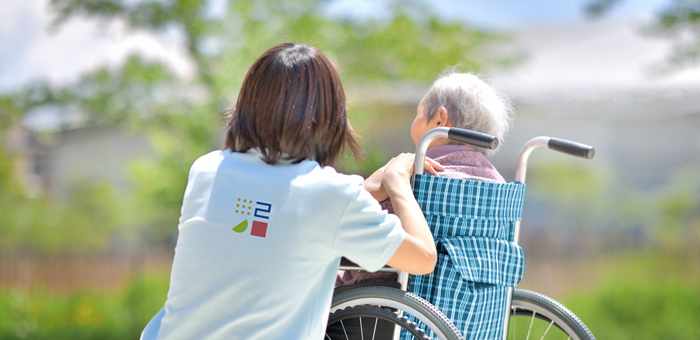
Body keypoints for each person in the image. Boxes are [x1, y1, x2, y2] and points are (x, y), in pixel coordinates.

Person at [140, 43, 437, 340]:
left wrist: (362, 191)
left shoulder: (206, 170)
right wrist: (398, 181)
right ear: (327, 117)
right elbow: (423, 257)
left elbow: (282, 214)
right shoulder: (331, 195)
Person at [336, 71, 513, 287]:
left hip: (379, 308)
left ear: (440, 118)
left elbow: (344, 219)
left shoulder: (416, 178)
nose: (416, 120)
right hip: (465, 312)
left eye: (418, 114)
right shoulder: (499, 186)